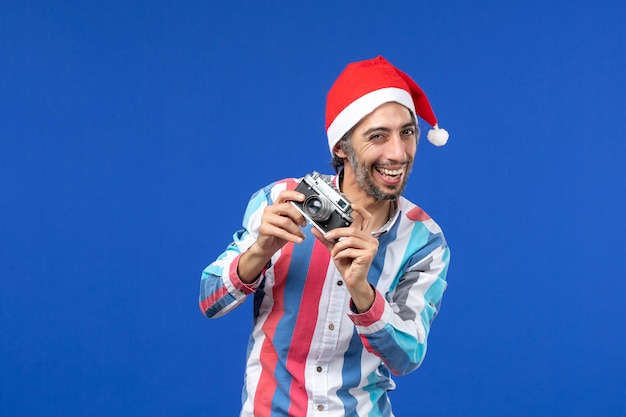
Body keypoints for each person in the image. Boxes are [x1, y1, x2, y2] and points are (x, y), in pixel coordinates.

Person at [199, 56, 451, 417]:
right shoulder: (282, 201)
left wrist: (361, 290)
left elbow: (407, 356)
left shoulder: (424, 240)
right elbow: (209, 301)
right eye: (378, 136)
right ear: (341, 147)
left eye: (407, 132)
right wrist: (260, 252)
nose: (398, 153)